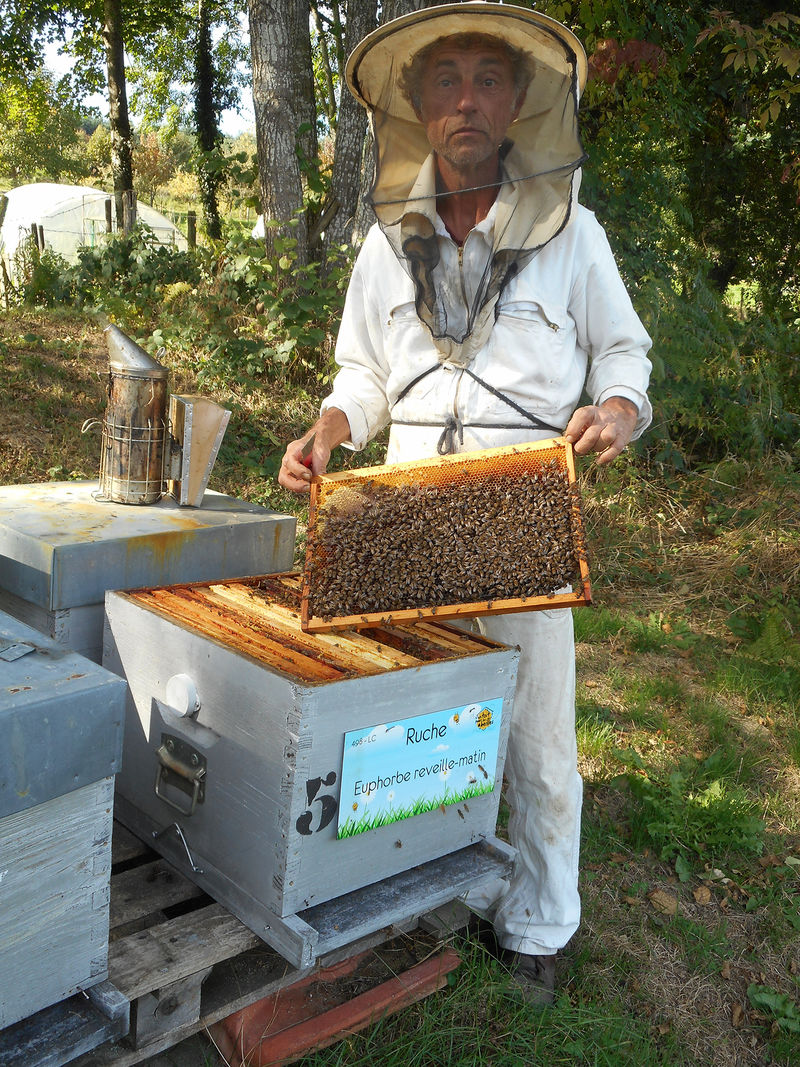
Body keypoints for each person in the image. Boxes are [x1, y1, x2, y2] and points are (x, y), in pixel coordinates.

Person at [279, 2, 652, 1004]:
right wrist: (326, 431)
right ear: (415, 107)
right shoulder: (381, 245)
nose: (465, 100)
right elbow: (362, 372)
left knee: (531, 734)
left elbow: (623, 354)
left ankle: (534, 916)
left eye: (487, 78)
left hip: (521, 510)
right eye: (444, 81)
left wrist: (616, 405)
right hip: (401, 512)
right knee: (409, 724)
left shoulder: (571, 234)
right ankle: (402, 889)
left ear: (520, 100)